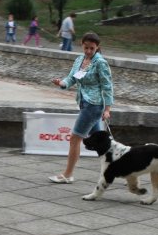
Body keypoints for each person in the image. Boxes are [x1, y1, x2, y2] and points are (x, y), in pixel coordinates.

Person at [49, 31, 114, 183]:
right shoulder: (79, 60)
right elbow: (71, 78)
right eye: (86, 48)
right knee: (102, 144)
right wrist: (62, 83)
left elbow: (107, 87)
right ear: (82, 46)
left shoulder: (101, 63)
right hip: (84, 103)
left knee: (75, 139)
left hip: (94, 106)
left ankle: (67, 174)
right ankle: (119, 167)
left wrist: (107, 109)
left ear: (97, 47)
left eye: (92, 48)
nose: (89, 51)